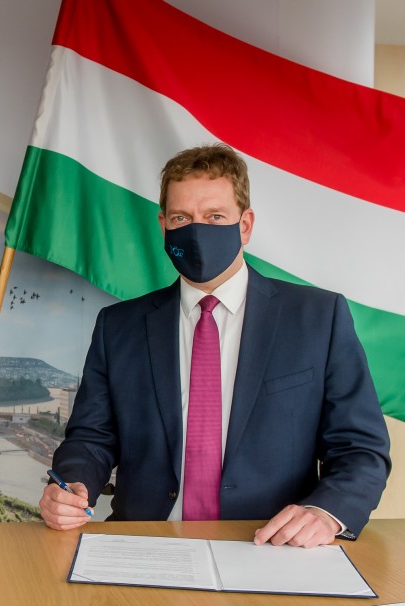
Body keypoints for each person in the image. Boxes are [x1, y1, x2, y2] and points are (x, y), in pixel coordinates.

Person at [40, 143, 390, 548]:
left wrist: (326, 512)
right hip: (143, 543)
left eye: (215, 216)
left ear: (245, 225)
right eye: (181, 218)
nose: (197, 230)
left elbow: (361, 449)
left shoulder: (318, 319)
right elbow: (91, 438)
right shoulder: (118, 326)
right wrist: (72, 486)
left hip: (272, 545)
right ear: (163, 226)